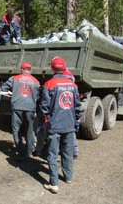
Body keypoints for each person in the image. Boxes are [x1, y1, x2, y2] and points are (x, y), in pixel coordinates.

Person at [39, 57, 81, 193]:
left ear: (52, 68)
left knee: (52, 154)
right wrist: (75, 120)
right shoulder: (73, 85)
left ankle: (54, 183)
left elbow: (44, 106)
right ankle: (68, 177)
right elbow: (77, 107)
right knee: (67, 152)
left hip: (54, 125)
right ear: (64, 68)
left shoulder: (49, 84)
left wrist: (44, 120)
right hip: (69, 125)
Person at [1, 63, 40, 157]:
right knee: (29, 129)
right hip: (30, 108)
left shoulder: (14, 78)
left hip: (17, 106)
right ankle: (29, 151)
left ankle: (20, 151)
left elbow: (3, 88)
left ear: (21, 69)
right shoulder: (36, 81)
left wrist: (12, 92)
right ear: (30, 70)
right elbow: (38, 95)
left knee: (16, 128)